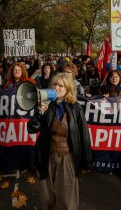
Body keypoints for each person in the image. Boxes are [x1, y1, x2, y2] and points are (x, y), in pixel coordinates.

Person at [27, 72, 92, 210]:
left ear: (68, 89)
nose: (56, 87)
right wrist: (39, 114)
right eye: (54, 84)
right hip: (46, 155)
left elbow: (84, 135)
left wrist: (86, 162)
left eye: (60, 85)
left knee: (68, 196)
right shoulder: (45, 106)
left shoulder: (75, 108)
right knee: (47, 195)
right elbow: (31, 129)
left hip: (67, 157)